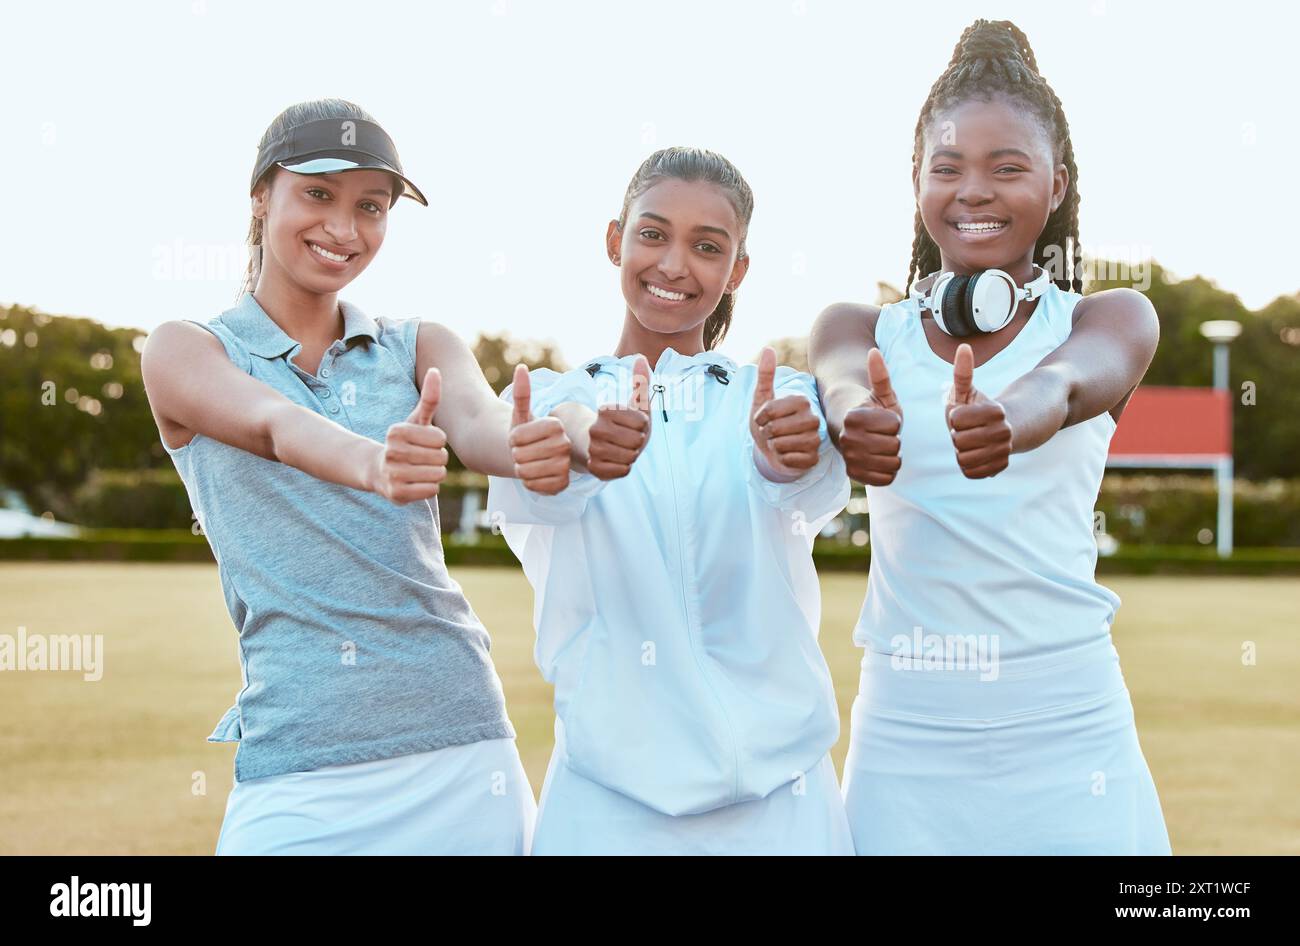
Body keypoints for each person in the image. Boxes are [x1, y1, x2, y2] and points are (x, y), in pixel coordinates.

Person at [141, 98, 571, 854]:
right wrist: (374, 462)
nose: (344, 229)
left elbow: (479, 426)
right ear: (259, 196)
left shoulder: (420, 344)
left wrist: (545, 439)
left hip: (460, 751)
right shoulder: (184, 350)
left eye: (370, 207)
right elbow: (274, 424)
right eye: (317, 195)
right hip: (297, 765)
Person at [809, 20, 1172, 854]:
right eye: (948, 168)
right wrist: (848, 418)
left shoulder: (1109, 315)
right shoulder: (858, 325)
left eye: (1007, 168)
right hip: (907, 747)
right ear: (916, 182)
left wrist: (1014, 416)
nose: (974, 190)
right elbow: (838, 381)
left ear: (1056, 186)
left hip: (1073, 737)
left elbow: (1074, 377)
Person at [487, 147, 855, 855]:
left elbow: (800, 480)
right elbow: (547, 474)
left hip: (784, 808)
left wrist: (784, 458)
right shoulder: (556, 398)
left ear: (738, 270)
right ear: (614, 239)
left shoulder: (775, 396)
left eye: (707, 246)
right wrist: (587, 446)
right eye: (652, 234)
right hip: (606, 807)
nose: (674, 265)